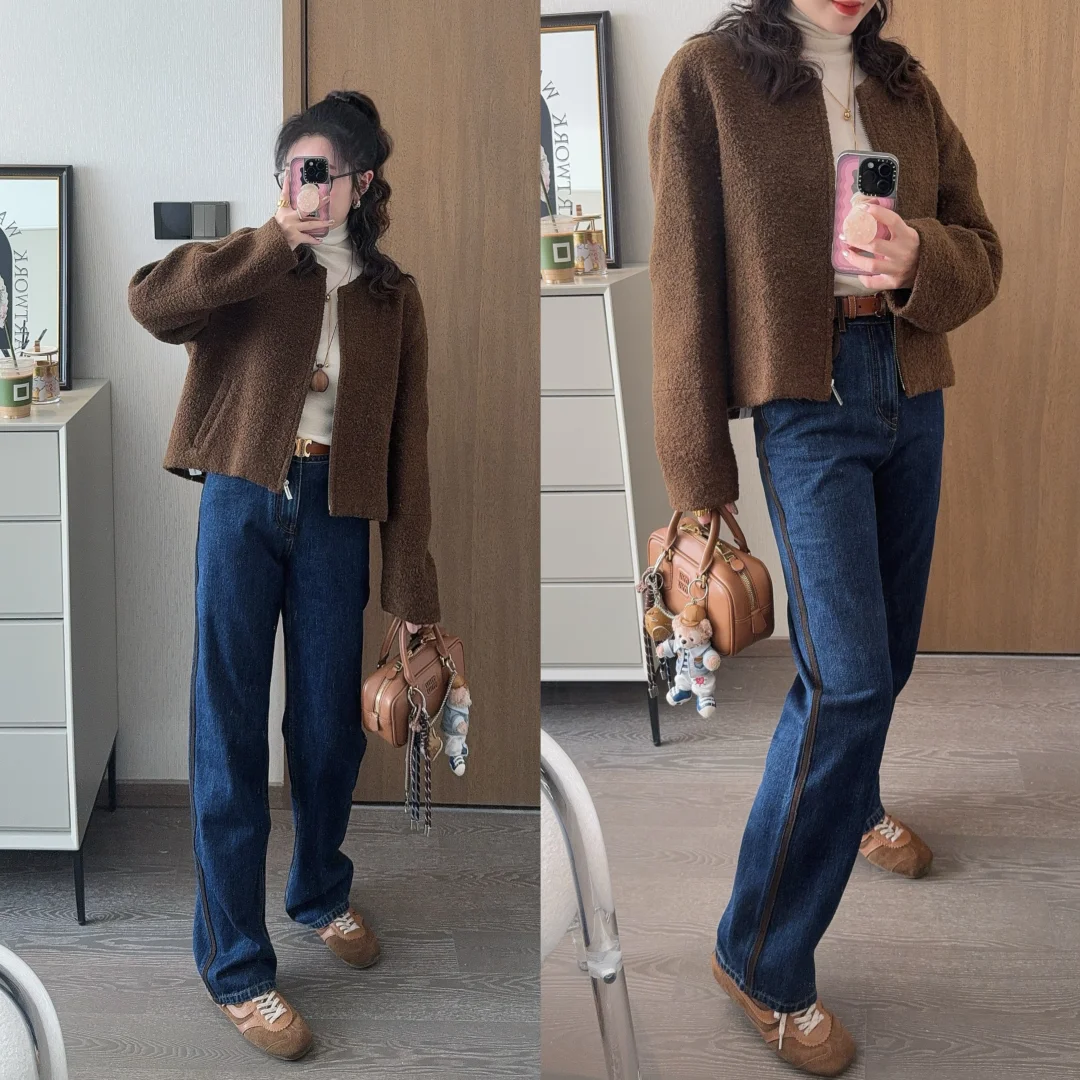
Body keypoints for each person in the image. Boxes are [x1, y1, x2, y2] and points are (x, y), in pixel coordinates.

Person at [648, 1, 1001, 1073]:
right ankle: (758, 954)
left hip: (911, 382)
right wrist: (698, 481)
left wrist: (918, 254)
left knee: (886, 656)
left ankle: (856, 804)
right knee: (845, 679)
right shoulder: (710, 78)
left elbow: (983, 251)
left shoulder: (904, 84)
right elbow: (681, 287)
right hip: (804, 400)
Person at [128, 90, 440, 1061]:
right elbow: (150, 302)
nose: (303, 188)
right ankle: (235, 965)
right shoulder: (251, 264)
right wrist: (268, 241)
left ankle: (318, 891)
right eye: (290, 171)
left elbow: (410, 452)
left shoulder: (392, 299)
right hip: (241, 503)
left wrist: (412, 596)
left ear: (362, 182)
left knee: (325, 731)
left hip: (338, 519)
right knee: (225, 731)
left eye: (320, 172)